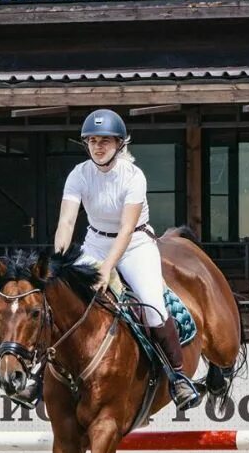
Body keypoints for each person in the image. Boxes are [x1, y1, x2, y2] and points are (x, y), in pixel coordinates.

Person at [53, 108, 201, 410]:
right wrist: (58, 262)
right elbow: (67, 223)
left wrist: (107, 269)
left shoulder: (133, 176)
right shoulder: (78, 175)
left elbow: (125, 229)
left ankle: (178, 377)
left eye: (105, 141)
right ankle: (40, 377)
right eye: (92, 141)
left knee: (153, 306)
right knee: (61, 300)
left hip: (135, 244)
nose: (98, 146)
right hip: (94, 242)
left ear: (120, 144)